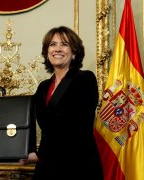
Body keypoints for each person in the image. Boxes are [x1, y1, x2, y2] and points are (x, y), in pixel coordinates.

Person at [20, 26, 103, 179]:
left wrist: (41, 155)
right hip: (47, 169)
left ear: (74, 53)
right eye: (53, 44)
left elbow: (78, 128)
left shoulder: (85, 79)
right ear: (46, 52)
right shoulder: (44, 87)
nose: (57, 49)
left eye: (64, 44)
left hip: (77, 166)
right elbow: (23, 113)